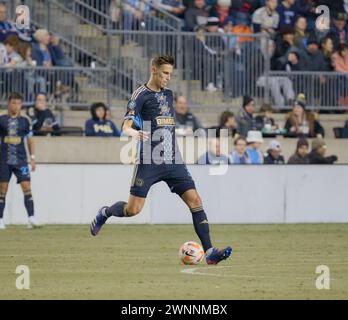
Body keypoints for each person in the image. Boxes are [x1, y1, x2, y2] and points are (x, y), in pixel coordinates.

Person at [90, 55, 232, 265]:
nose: (168, 78)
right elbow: (127, 124)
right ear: (153, 70)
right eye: (165, 73)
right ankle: (105, 212)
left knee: (195, 201)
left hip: (173, 159)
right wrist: (133, 133)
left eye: (170, 74)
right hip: (149, 161)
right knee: (133, 210)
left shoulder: (169, 95)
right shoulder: (140, 95)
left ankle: (210, 252)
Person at [0, 92, 40, 230]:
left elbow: (30, 140)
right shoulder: (1, 120)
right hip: (4, 159)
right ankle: (0, 219)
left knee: (27, 187)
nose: (16, 106)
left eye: (18, 103)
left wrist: (32, 158)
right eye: (13, 103)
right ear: (9, 104)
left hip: (21, 160)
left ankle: (31, 218)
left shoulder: (25, 121)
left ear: (21, 105)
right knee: (2, 189)